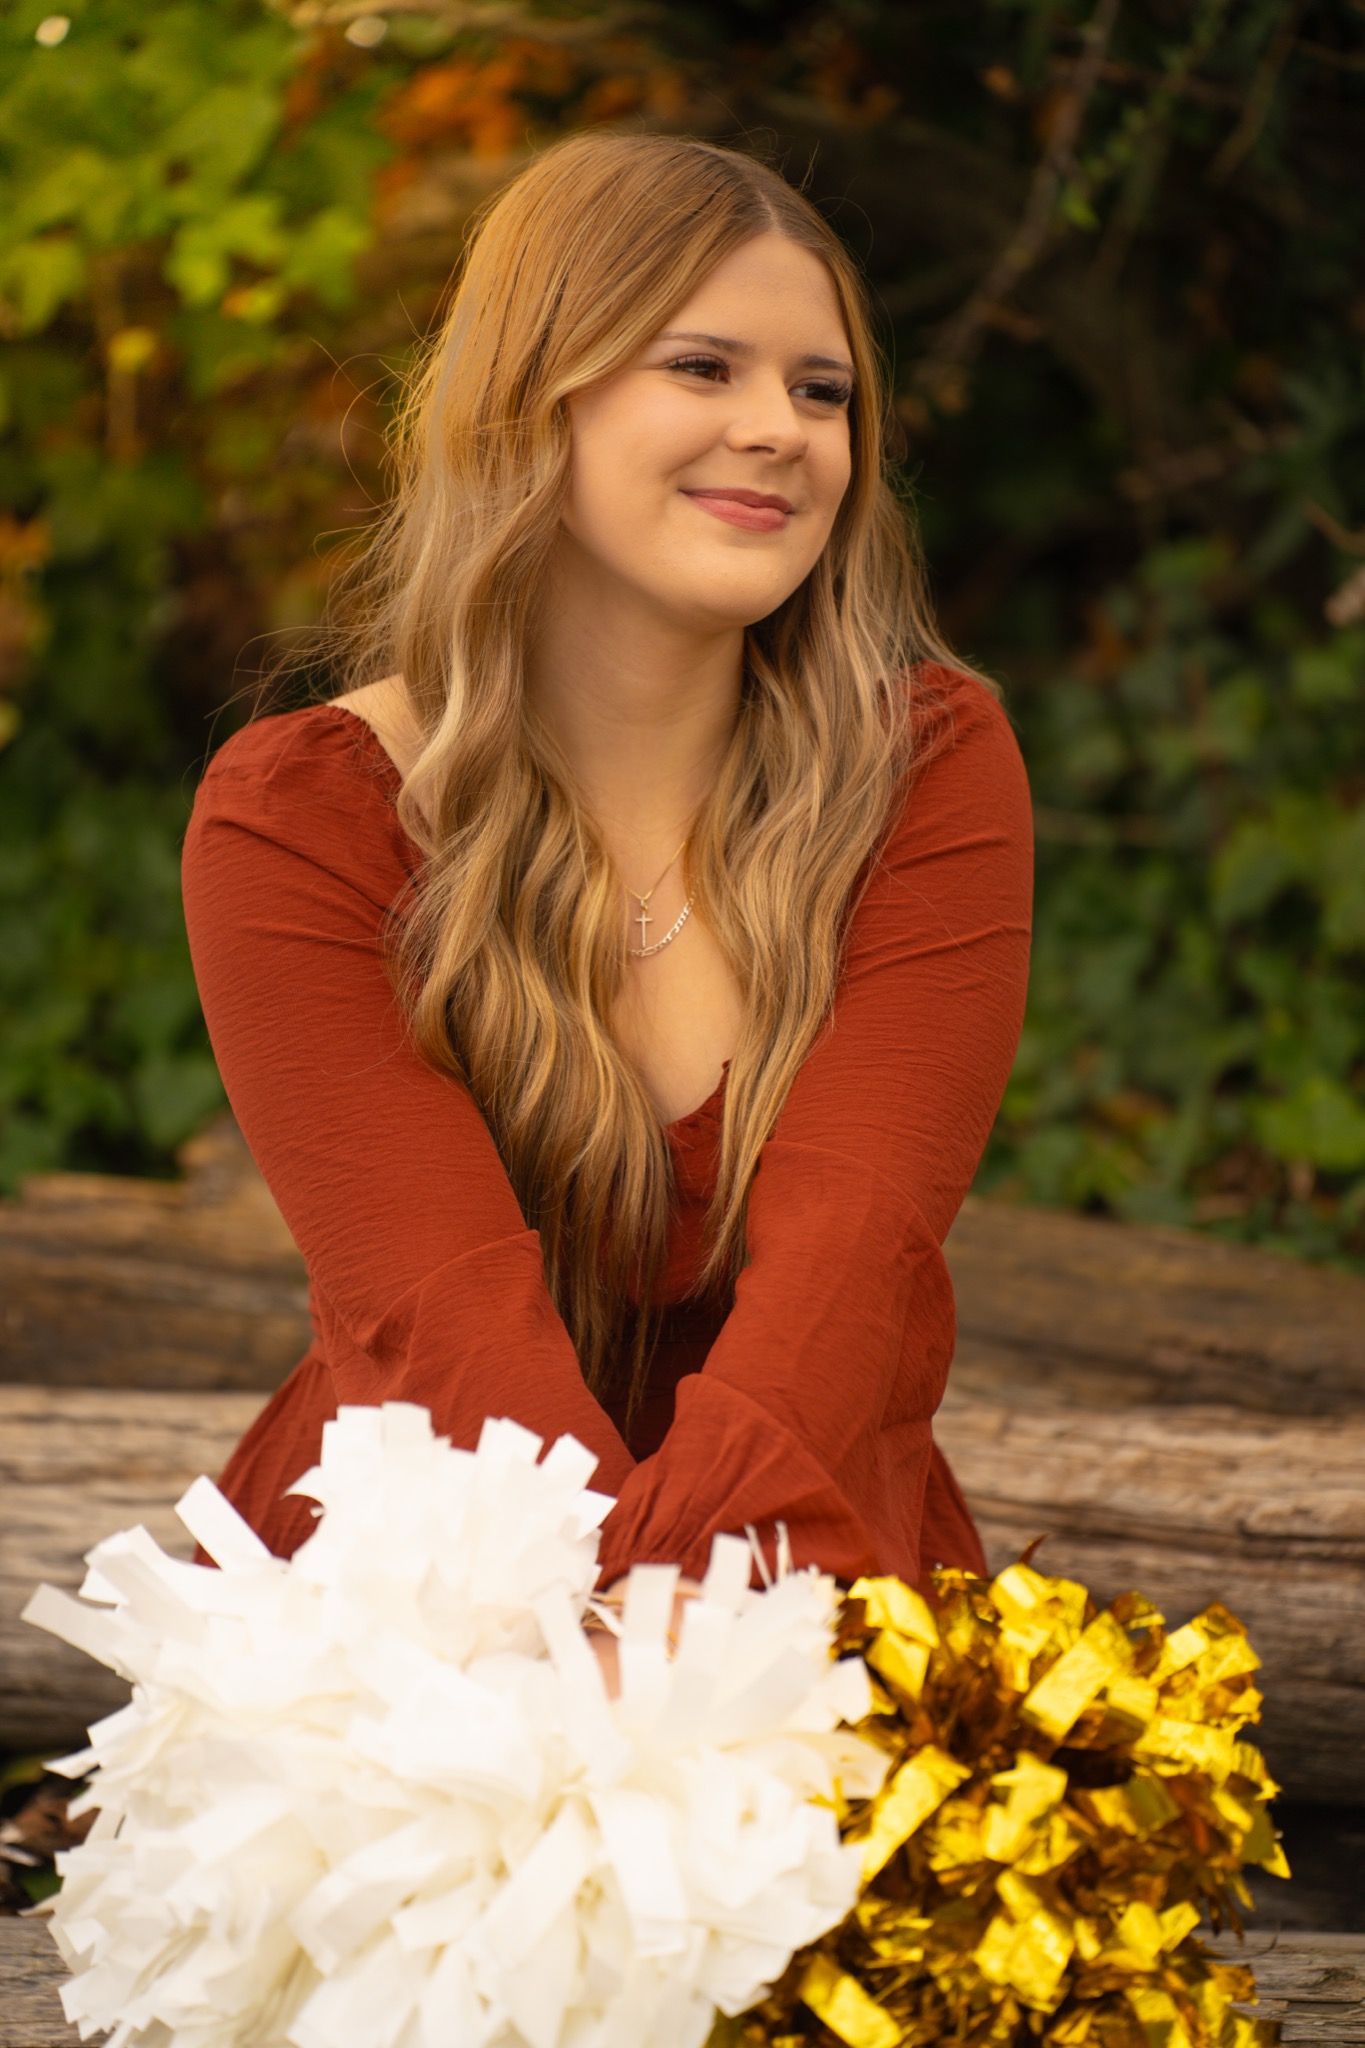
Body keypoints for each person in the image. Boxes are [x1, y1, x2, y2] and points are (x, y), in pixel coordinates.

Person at [181, 132, 1032, 1680]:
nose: (778, 429)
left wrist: (685, 1645)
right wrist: (603, 1656)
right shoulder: (299, 815)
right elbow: (439, 1325)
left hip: (803, 1579)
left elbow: (859, 1250)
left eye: (821, 390)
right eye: (701, 368)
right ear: (531, 395)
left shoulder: (926, 771)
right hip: (427, 1608)